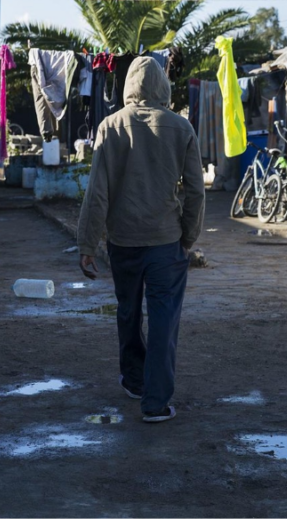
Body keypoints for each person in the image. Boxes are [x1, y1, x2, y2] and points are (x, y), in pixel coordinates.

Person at [77, 56, 205, 423]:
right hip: (166, 242)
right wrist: (188, 236)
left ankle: (134, 380)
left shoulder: (109, 126)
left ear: (129, 84)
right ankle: (155, 403)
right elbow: (196, 191)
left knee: (129, 311)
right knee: (164, 316)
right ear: (162, 85)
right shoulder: (181, 128)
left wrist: (88, 244)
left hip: (123, 242)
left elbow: (96, 192)